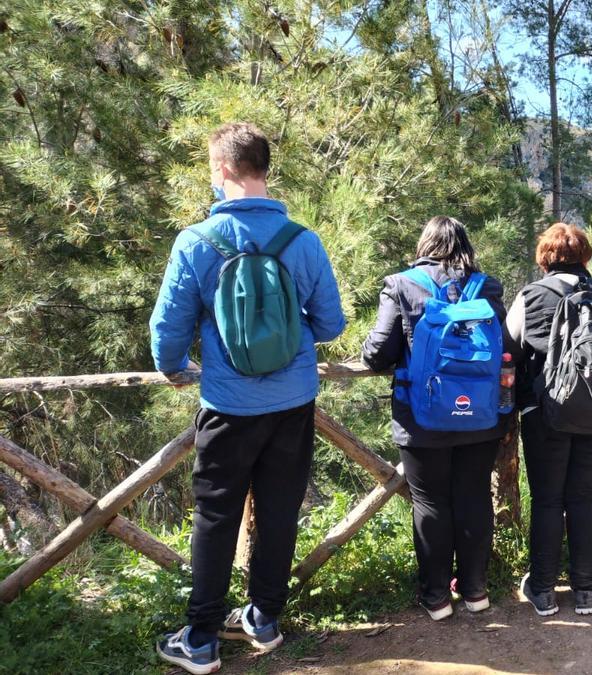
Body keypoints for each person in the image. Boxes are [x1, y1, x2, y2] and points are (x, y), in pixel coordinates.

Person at [150, 122, 346, 674]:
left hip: (228, 404)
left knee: (216, 516)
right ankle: (264, 619)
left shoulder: (196, 242)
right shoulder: (302, 241)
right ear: (265, 169)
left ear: (221, 170)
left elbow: (168, 329)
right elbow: (330, 322)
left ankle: (203, 638)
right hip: (292, 403)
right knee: (281, 510)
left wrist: (173, 368)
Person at [361, 216, 507, 621]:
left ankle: (437, 598)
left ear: (424, 244)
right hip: (481, 415)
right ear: (465, 244)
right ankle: (476, 591)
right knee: (474, 496)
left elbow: (378, 354)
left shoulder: (402, 284)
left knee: (430, 502)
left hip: (422, 418)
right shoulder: (487, 287)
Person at [505, 223, 592, 616]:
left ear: (545, 260)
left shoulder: (531, 296)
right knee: (583, 495)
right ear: (585, 256)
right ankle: (586, 589)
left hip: (547, 411)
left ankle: (543, 589)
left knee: (548, 500)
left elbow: (508, 349)